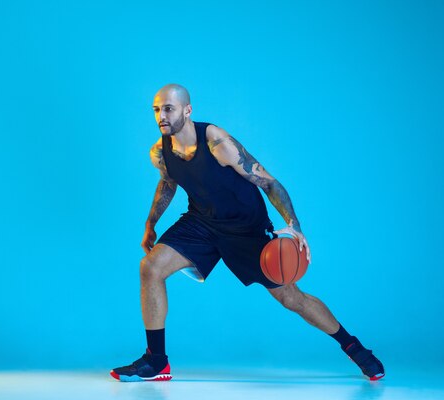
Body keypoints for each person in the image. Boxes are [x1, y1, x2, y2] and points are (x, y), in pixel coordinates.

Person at [110, 84, 384, 382]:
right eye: (156, 110)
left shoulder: (218, 143)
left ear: (187, 110)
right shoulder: (160, 152)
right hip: (201, 223)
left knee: (292, 298)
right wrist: (151, 224)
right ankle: (157, 361)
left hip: (246, 229)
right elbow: (168, 182)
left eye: (168, 108)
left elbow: (269, 183)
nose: (161, 116)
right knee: (150, 268)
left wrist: (294, 225)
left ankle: (354, 347)